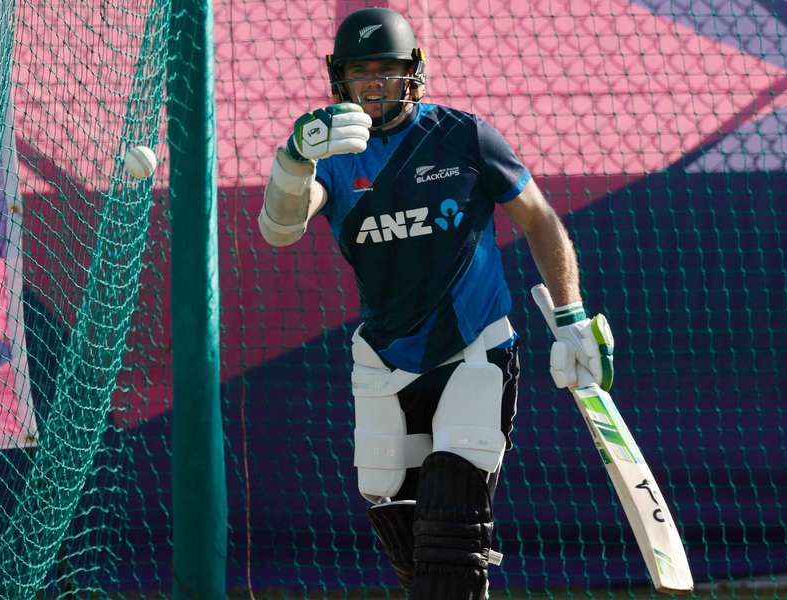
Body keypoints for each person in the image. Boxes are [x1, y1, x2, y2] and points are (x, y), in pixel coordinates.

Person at [258, 7, 614, 599]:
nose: (375, 86)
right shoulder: (334, 156)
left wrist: (571, 315)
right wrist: (292, 160)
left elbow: (539, 219)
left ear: (414, 74)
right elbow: (279, 228)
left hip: (474, 349)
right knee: (405, 536)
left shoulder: (464, 135)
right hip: (384, 360)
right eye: (361, 74)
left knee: (452, 530)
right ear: (338, 81)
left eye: (388, 71)